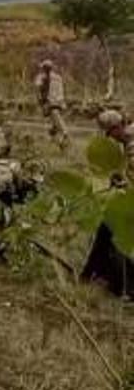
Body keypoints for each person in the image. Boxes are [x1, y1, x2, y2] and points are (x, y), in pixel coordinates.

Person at [82, 110, 134, 298]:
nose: (110, 138)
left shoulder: (131, 142)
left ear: (116, 128)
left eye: (110, 134)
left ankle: (126, 288)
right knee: (106, 226)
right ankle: (94, 274)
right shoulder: (127, 140)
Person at [34, 60, 68, 147]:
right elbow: (61, 91)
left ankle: (64, 135)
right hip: (59, 102)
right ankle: (55, 140)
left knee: (56, 122)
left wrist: (40, 102)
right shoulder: (58, 77)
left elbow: (38, 90)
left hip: (50, 103)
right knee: (54, 123)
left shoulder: (41, 77)